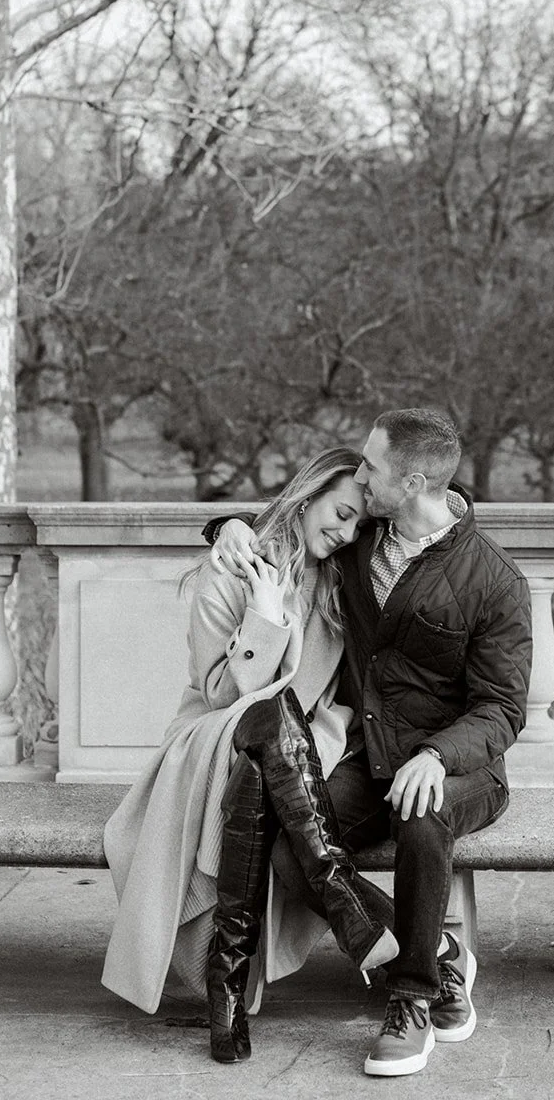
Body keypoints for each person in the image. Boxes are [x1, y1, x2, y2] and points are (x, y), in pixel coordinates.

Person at [210, 407, 533, 1078]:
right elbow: (293, 521)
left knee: (423, 814)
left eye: (372, 467)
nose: (359, 476)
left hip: (461, 766)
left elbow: (501, 709)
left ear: (412, 481)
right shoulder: (361, 542)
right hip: (372, 758)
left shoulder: (493, 580)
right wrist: (230, 527)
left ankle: (413, 998)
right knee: (293, 849)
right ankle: (446, 957)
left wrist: (437, 755)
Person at [101, 447, 398, 1064]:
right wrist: (264, 619)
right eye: (339, 513)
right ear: (308, 494)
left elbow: (448, 512)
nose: (344, 532)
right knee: (268, 722)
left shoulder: (343, 580)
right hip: (210, 739)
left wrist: (323, 729)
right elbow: (218, 694)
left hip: (289, 752)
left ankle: (226, 991)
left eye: (356, 525)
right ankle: (351, 903)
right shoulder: (232, 571)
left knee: (270, 758)